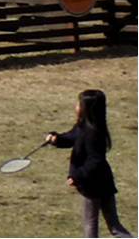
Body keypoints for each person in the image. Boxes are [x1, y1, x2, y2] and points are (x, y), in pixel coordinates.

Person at [48, 88, 131, 238]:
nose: (76, 107)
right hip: (103, 181)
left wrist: (78, 176)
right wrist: (57, 139)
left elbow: (96, 161)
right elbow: (71, 137)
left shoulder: (92, 133)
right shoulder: (84, 127)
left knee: (90, 226)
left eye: (79, 104)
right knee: (114, 226)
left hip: (93, 185)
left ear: (87, 109)